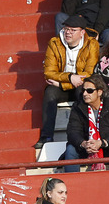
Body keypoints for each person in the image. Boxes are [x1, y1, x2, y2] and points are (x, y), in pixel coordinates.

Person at [38, 18, 99, 147]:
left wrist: (61, 83)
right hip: (63, 87)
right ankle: (46, 137)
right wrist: (71, 77)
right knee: (50, 92)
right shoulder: (54, 43)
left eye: (73, 30)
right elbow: (49, 72)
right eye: (66, 29)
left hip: (76, 86)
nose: (68, 33)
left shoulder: (92, 44)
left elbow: (88, 74)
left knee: (83, 90)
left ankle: (86, 134)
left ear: (82, 32)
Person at [62, 75, 109, 172]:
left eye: (89, 91)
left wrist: (102, 143)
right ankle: (71, 185)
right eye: (83, 90)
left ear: (99, 92)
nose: (85, 94)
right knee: (71, 149)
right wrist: (84, 143)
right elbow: (72, 131)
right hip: (87, 148)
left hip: (108, 146)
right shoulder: (78, 106)